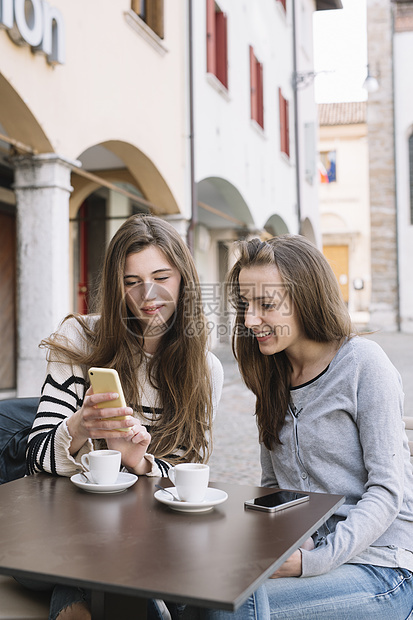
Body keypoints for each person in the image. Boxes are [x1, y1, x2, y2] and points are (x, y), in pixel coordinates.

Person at [184, 235, 413, 619]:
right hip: (307, 558)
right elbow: (275, 488)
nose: (250, 320)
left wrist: (315, 560)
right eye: (245, 305)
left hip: (382, 569)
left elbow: (387, 491)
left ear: (307, 298)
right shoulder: (271, 376)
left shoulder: (363, 365)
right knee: (190, 596)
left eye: (266, 305)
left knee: (226, 613)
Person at [25, 214, 224, 620]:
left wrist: (137, 462)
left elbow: (189, 476)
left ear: (184, 279)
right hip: (65, 528)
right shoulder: (78, 339)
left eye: (161, 277)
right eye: (131, 281)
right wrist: (80, 427)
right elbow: (35, 457)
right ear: (116, 288)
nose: (147, 295)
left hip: (152, 537)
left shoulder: (205, 370)